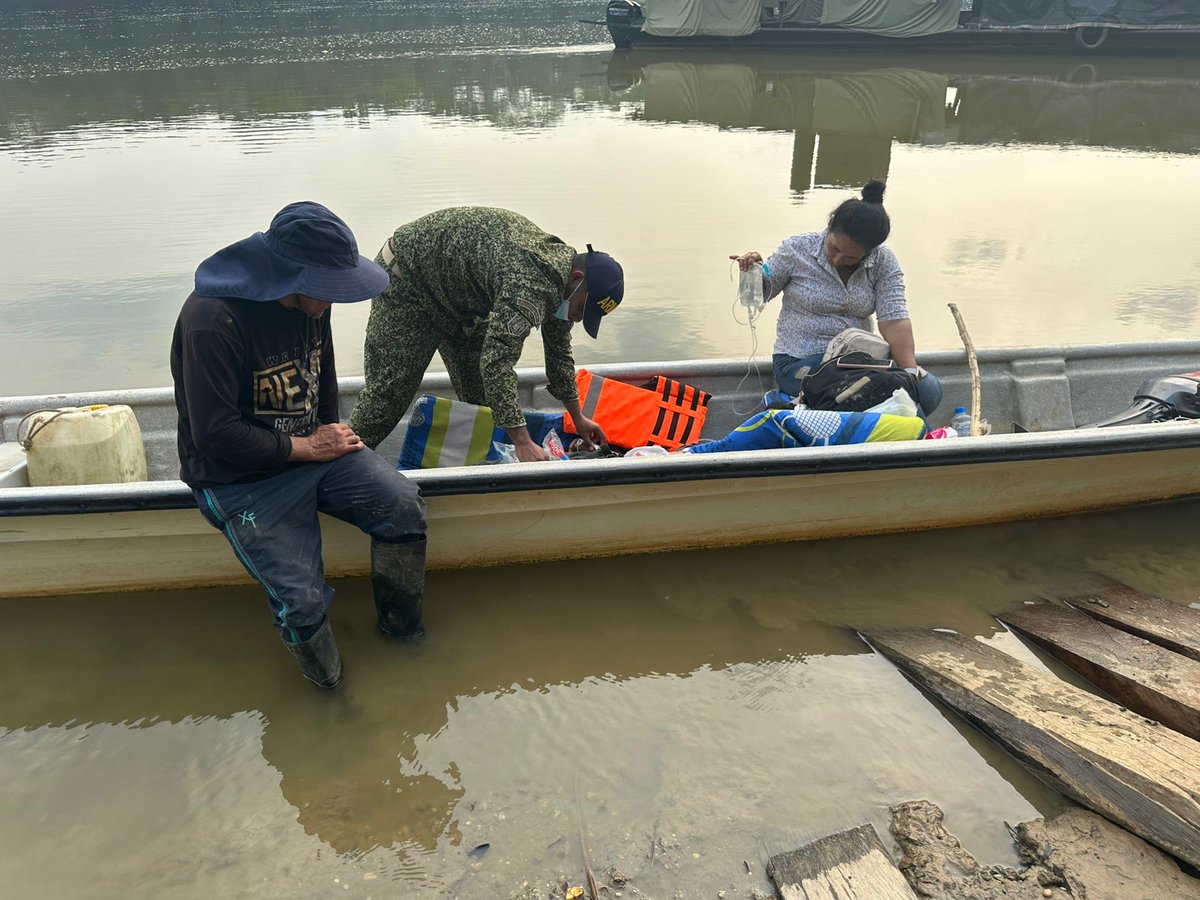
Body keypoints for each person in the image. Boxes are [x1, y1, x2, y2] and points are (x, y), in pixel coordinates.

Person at [170, 201, 428, 689]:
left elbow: (321, 375)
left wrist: (331, 433)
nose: (331, 301)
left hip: (313, 454)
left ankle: (405, 640)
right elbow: (215, 434)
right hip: (238, 479)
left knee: (401, 505)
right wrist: (309, 447)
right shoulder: (213, 320)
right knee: (302, 601)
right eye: (327, 289)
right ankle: (333, 698)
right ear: (288, 274)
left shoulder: (312, 302)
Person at [348, 207, 625, 462]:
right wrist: (522, 440)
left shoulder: (563, 284)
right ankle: (338, 467)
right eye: (582, 310)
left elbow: (559, 356)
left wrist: (578, 419)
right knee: (388, 395)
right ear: (577, 279)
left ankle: (478, 471)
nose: (578, 317)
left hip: (458, 300)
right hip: (407, 279)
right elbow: (496, 362)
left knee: (484, 398)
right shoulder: (531, 284)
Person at [731, 180, 943, 415]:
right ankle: (916, 443)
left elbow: (894, 321)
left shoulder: (883, 261)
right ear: (830, 225)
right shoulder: (796, 249)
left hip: (859, 362)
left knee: (928, 390)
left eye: (851, 257)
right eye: (834, 249)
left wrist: (910, 374)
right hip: (800, 362)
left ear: (870, 251)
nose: (838, 260)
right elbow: (760, 296)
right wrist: (753, 272)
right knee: (864, 391)